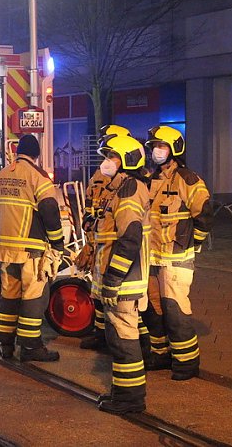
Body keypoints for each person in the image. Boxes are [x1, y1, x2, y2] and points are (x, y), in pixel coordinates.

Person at [144, 125, 213, 381]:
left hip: (176, 259)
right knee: (154, 310)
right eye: (153, 147)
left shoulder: (187, 179)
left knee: (175, 311)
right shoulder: (152, 180)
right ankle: (160, 354)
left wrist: (192, 245)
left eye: (161, 147)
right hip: (152, 259)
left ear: (174, 150)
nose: (156, 152)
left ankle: (187, 362)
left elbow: (204, 214)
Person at [0, 134, 65, 362]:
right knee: (34, 298)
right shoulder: (38, 177)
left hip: (6, 249)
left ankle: (5, 343)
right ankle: (31, 347)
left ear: (17, 152)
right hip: (31, 251)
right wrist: (58, 242)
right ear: (37, 154)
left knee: (9, 296)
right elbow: (50, 210)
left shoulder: (2, 176)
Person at [92, 134, 151, 414]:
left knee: (124, 339)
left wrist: (113, 279)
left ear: (126, 160)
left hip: (125, 281)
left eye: (112, 157)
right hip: (122, 278)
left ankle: (130, 400)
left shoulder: (129, 190)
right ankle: (123, 394)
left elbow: (129, 238)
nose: (106, 163)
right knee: (119, 338)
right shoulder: (120, 188)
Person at [76, 124, 130, 351]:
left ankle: (123, 340)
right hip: (98, 242)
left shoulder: (130, 181)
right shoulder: (100, 174)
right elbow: (91, 207)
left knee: (119, 299)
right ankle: (101, 336)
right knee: (97, 291)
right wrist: (89, 239)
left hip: (116, 246)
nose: (106, 157)